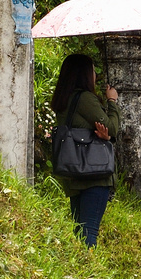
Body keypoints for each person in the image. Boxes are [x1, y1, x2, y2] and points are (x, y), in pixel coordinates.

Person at [49, 54, 120, 248]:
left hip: (73, 172)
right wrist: (112, 102)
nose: (95, 74)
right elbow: (112, 128)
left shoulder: (63, 99)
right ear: (84, 74)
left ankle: (78, 271)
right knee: (89, 232)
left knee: (79, 229)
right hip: (94, 174)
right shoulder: (86, 99)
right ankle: (89, 274)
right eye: (92, 70)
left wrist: (104, 135)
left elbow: (88, 129)